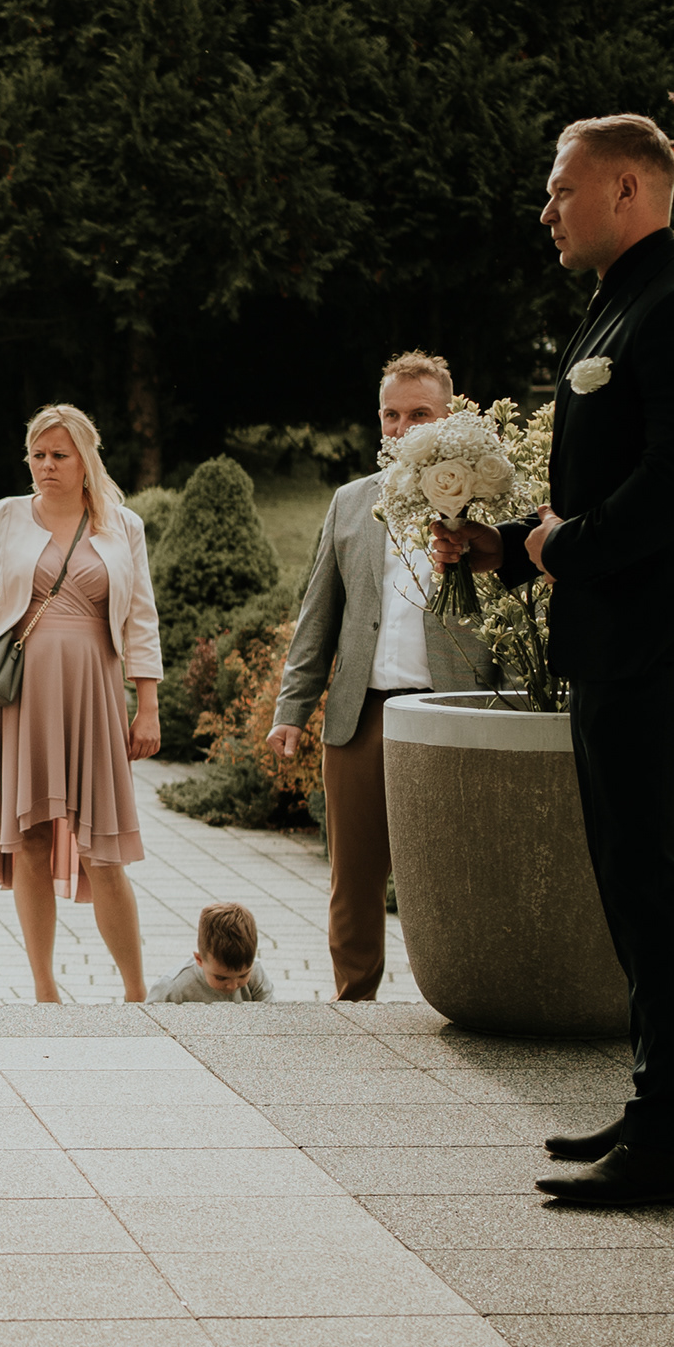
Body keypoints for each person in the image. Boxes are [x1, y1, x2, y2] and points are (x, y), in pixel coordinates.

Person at [437, 113, 674, 1209]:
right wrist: (509, 545)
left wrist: (561, 548)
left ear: (628, 189)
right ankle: (665, 1099)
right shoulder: (625, 299)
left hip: (663, 639)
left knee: (654, 883)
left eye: (561, 189)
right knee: (631, 882)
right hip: (620, 635)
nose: (546, 210)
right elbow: (605, 485)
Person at [270, 350, 497, 1001]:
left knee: (454, 871)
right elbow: (318, 616)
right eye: (390, 415)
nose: (401, 428)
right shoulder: (350, 503)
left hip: (452, 712)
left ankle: (462, 999)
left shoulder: (486, 501)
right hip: (361, 713)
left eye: (418, 414)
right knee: (354, 877)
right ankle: (355, 1003)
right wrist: (291, 711)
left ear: (449, 418)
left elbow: (512, 610)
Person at [0, 407, 166, 1004]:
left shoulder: (123, 526)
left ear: (85, 460)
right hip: (19, 696)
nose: (46, 466)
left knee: (103, 850)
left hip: (93, 691)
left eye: (59, 455)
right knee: (31, 840)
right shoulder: (3, 517)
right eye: (38, 455)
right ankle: (44, 991)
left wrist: (147, 705)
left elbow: (141, 618)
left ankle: (137, 993)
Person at [148, 903, 267, 1004]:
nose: (233, 986)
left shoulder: (256, 973)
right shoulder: (174, 987)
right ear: (199, 960)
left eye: (243, 976)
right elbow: (148, 1019)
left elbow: (268, 1013)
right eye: (221, 978)